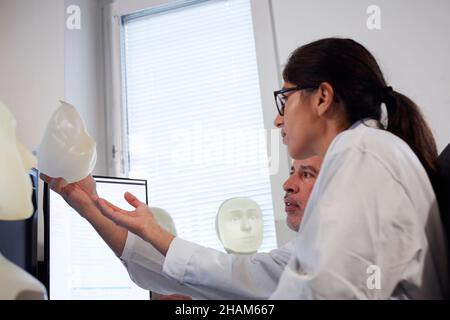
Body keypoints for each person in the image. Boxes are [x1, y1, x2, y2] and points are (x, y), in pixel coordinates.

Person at [93, 38, 448, 299]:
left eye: (286, 98)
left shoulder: (362, 151)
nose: (279, 117)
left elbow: (321, 294)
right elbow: (260, 277)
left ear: (323, 97)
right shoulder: (367, 151)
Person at [41, 156, 322, 299]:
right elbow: (208, 277)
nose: (288, 184)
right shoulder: (300, 254)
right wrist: (90, 206)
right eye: (291, 172)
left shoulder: (321, 258)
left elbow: (225, 277)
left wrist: (151, 231)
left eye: (307, 174)